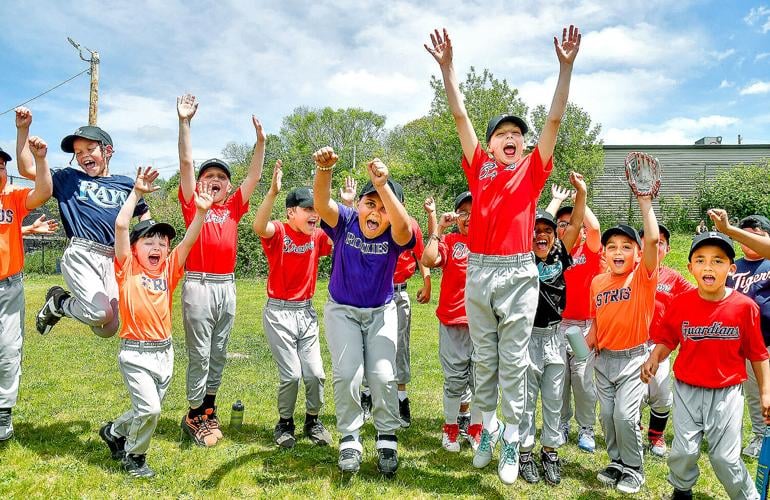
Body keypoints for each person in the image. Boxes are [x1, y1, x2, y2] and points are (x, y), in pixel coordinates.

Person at [424, 25, 581, 484]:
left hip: (517, 274)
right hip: (479, 271)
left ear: (524, 145)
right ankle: (488, 428)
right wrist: (449, 69)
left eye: (517, 133)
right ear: (491, 147)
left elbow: (552, 120)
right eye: (502, 134)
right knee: (486, 360)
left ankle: (513, 436)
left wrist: (565, 69)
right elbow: (459, 117)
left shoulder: (532, 173)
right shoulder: (481, 171)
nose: (510, 137)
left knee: (513, 362)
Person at [98, 167, 212, 478]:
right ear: (134, 249)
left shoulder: (168, 269)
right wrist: (137, 193)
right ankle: (135, 458)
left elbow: (187, 242)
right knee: (150, 410)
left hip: (165, 352)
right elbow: (122, 225)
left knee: (144, 410)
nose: (158, 247)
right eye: (149, 242)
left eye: (162, 242)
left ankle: (113, 431)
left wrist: (201, 212)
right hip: (135, 353)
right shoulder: (127, 268)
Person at [641, 231, 770, 500]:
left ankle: (747, 496)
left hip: (727, 391)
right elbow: (667, 339)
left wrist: (765, 392)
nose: (708, 266)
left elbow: (758, 355)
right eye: (700, 260)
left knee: (724, 457)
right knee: (684, 451)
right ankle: (682, 489)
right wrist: (654, 357)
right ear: (691, 268)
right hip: (688, 389)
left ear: (732, 269)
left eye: (718, 260)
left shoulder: (744, 307)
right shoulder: (681, 303)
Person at [313, 147, 414, 477]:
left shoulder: (394, 234)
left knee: (384, 375)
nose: (376, 212)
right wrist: (323, 172)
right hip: (342, 310)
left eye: (384, 207)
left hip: (381, 312)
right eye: (370, 203)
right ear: (358, 205)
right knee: (348, 374)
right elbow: (321, 204)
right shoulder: (344, 222)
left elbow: (405, 230)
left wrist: (383, 186)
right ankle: (351, 437)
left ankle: (386, 435)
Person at [15, 107, 152, 337]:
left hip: (113, 257)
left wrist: (146, 248)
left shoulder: (127, 184)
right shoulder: (68, 178)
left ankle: (63, 304)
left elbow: (144, 214)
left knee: (108, 328)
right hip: (82, 252)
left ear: (108, 151)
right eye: (78, 152)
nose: (83, 156)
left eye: (90, 149)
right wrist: (23, 131)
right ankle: (59, 302)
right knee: (100, 314)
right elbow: (26, 168)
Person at [176, 94, 264, 446]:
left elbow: (255, 176)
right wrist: (185, 122)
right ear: (199, 184)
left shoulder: (232, 209)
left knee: (219, 351)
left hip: (226, 286)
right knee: (199, 353)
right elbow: (185, 163)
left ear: (228, 187)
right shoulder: (192, 204)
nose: (214, 180)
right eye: (208, 175)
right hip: (198, 284)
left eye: (221, 177)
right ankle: (194, 415)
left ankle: (208, 411)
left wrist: (260, 143)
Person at [253, 161, 333, 449]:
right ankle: (284, 423)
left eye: (317, 209)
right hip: (278, 312)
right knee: (292, 374)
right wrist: (272, 192)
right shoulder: (280, 232)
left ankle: (313, 421)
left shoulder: (318, 236)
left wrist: (345, 205)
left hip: (306, 312)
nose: (315, 214)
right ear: (291, 213)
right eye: (309, 209)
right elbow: (259, 226)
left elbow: (343, 240)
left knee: (315, 374)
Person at [586, 193, 659, 494]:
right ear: (603, 253)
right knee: (606, 415)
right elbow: (597, 319)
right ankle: (616, 460)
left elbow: (653, 241)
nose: (618, 252)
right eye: (612, 247)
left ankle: (634, 468)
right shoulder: (598, 282)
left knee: (625, 416)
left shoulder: (642, 277)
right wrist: (590, 340)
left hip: (632, 361)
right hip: (605, 361)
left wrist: (644, 202)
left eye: (627, 247)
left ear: (637, 255)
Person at [519, 172, 586, 486]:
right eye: (536, 231)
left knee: (554, 399)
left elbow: (573, 225)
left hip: (556, 336)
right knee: (527, 398)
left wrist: (580, 193)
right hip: (528, 336)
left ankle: (551, 453)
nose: (541, 236)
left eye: (548, 231)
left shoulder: (562, 254)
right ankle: (525, 453)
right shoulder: (520, 258)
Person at [421, 191, 482, 452]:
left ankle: (477, 430)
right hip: (453, 322)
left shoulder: (491, 241)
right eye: (463, 212)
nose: (468, 217)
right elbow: (428, 259)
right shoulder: (451, 239)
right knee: (455, 380)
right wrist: (439, 228)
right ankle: (450, 429)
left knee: (482, 381)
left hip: (483, 325)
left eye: (474, 211)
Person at [0, 141, 52, 440]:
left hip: (9, 287)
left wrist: (40, 159)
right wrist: (28, 231)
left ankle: (3, 411)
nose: (0, 171)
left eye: (2, 166)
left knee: (9, 350)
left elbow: (43, 191)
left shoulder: (12, 198)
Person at [546, 183, 602, 453]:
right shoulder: (554, 255)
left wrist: (582, 196)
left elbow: (595, 229)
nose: (564, 227)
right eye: (561, 223)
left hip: (582, 327)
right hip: (558, 326)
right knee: (560, 379)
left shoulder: (589, 252)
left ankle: (586, 429)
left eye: (571, 223)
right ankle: (560, 425)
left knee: (581, 378)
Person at [638, 224, 695, 458]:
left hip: (660, 346)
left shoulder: (673, 277)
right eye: (649, 241)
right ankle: (633, 428)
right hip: (631, 345)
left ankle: (656, 435)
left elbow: (695, 297)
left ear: (668, 249)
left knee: (661, 392)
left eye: (660, 242)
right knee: (635, 393)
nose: (654, 246)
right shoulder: (631, 272)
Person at [721, 215, 770, 458]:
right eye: (744, 234)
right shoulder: (733, 267)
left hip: (769, 340)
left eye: (757, 234)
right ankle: (760, 436)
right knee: (754, 393)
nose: (750, 240)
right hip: (747, 345)